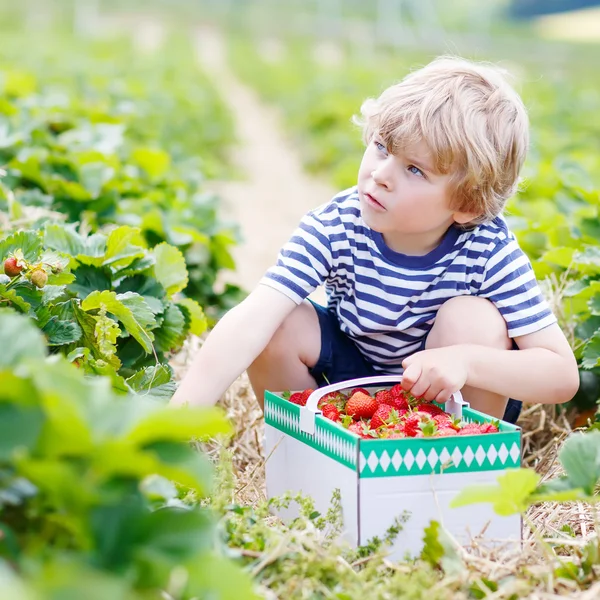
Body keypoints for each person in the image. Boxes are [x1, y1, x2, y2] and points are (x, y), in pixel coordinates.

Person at [170, 55, 579, 422]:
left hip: (450, 393)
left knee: (473, 319)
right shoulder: (337, 225)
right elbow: (251, 320)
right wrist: (172, 427)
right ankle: (312, 460)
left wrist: (467, 362)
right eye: (382, 147)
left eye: (415, 170)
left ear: (468, 204)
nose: (381, 174)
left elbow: (561, 376)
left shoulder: (488, 250)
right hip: (353, 382)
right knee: (277, 324)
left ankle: (454, 475)